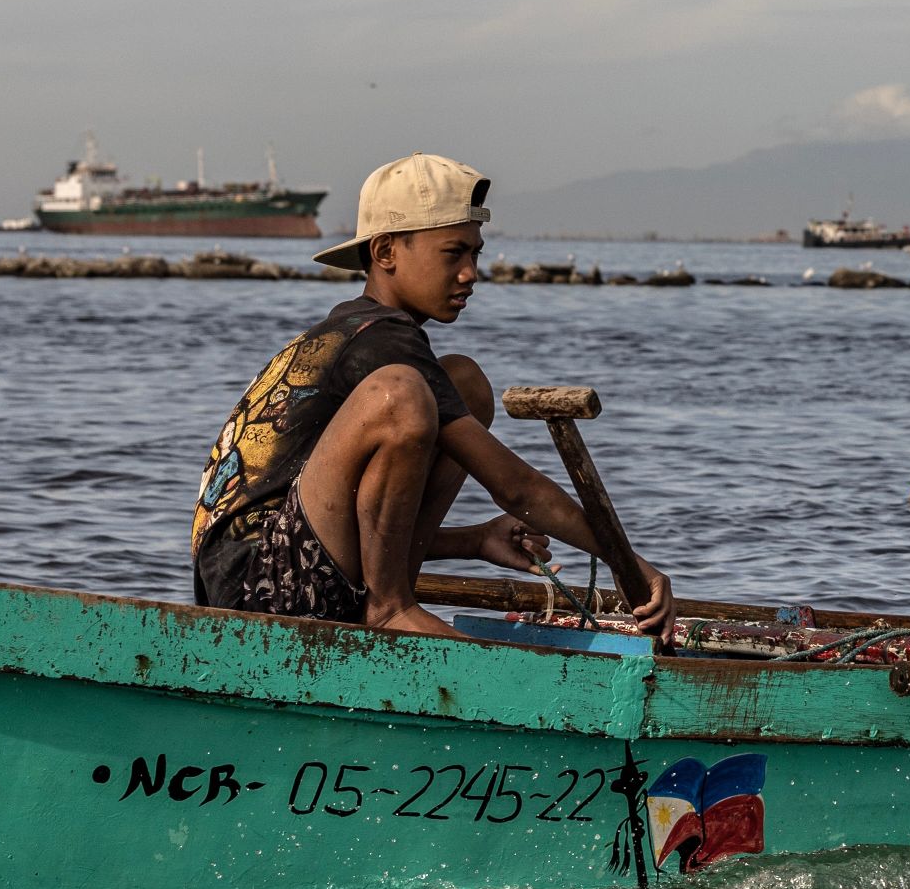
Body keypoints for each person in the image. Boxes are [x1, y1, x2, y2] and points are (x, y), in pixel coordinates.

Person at [190, 153, 671, 640]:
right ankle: (389, 607)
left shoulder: (365, 330)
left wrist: (475, 541)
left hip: (286, 565)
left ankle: (392, 593)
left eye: (475, 254)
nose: (470, 274)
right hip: (260, 589)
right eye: (452, 253)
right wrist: (626, 561)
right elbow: (515, 488)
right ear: (385, 253)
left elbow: (362, 519)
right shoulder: (379, 340)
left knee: (464, 383)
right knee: (399, 395)